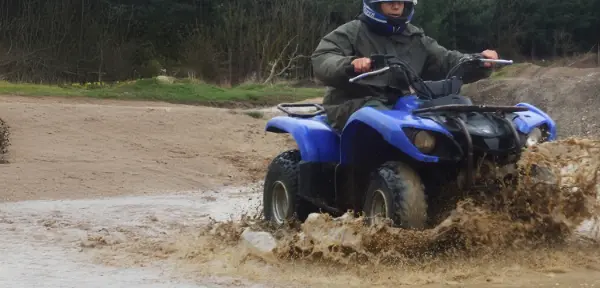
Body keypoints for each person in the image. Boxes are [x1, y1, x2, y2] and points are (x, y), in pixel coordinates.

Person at [311, 0, 499, 132]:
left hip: (404, 104)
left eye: (401, 1)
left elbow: (446, 59)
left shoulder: (415, 37)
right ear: (374, 4)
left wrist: (478, 61)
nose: (396, 5)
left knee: (454, 112)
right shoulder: (352, 32)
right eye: (390, 1)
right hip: (354, 102)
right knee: (380, 119)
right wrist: (350, 64)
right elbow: (323, 58)